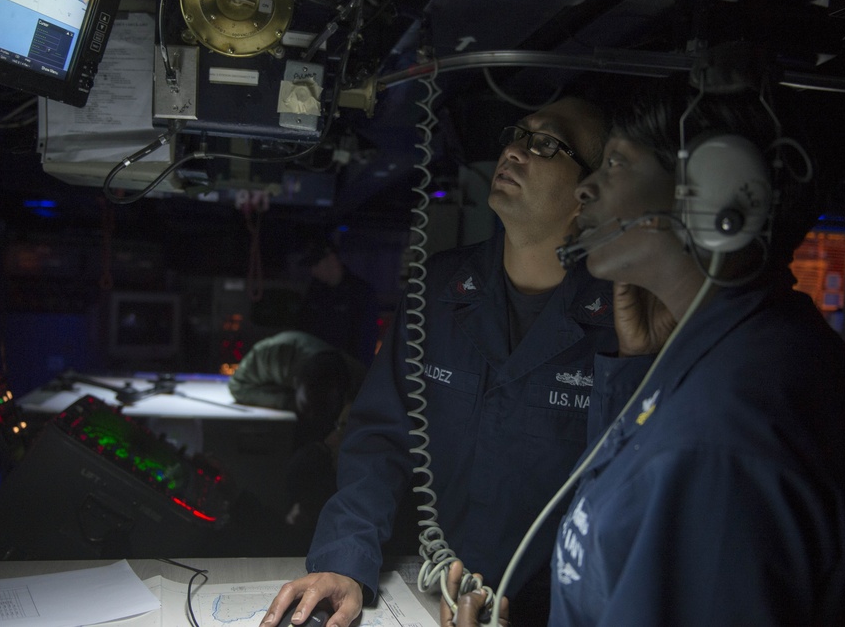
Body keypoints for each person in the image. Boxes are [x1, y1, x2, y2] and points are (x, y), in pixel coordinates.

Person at [446, 65, 845, 625]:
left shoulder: (727, 429)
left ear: (718, 196)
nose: (587, 189)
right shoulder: (727, 352)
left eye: (616, 164)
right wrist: (635, 371)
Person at [261, 96, 644, 627]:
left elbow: (629, 490)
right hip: (420, 590)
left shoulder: (626, 325)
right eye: (517, 133)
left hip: (550, 610)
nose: (513, 150)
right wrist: (345, 562)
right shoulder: (438, 290)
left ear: (592, 193)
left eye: (546, 144)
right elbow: (379, 441)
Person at [228, 330, 368, 533]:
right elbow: (238, 386)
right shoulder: (277, 354)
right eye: (307, 406)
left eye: (321, 409)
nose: (311, 416)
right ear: (295, 383)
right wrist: (286, 403)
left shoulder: (361, 384)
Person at [296, 238, 380, 366]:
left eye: (316, 264)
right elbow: (303, 328)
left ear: (331, 259)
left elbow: (365, 341)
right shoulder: (315, 291)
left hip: (346, 370)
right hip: (317, 367)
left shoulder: (360, 293)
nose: (312, 271)